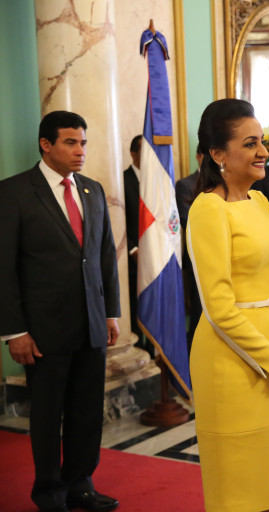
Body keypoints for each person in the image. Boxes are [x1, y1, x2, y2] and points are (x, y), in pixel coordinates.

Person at [186, 99, 269, 512]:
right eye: (250, 143)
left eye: (262, 141)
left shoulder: (259, 201)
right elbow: (219, 308)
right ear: (218, 154)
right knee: (238, 488)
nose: (262, 152)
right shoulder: (208, 208)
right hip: (231, 361)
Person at [0, 111, 120, 512]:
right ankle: (50, 493)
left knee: (86, 413)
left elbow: (105, 256)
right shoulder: (14, 192)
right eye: (71, 142)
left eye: (83, 142)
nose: (80, 150)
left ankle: (80, 484)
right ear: (46, 145)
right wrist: (14, 331)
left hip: (91, 324)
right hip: (43, 331)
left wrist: (111, 312)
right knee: (49, 417)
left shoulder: (92, 190)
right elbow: (4, 267)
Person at [175, 145, 204, 351]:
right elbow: (188, 219)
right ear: (198, 156)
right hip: (199, 258)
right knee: (200, 311)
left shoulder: (228, 182)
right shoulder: (185, 184)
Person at [123, 134, 141, 337]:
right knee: (135, 311)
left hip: (157, 259)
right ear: (133, 154)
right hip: (133, 260)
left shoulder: (160, 181)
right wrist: (133, 249)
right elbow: (118, 221)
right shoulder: (122, 180)